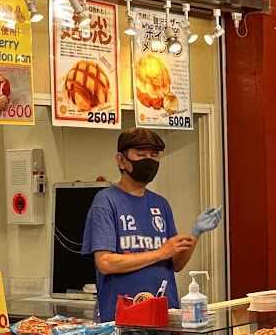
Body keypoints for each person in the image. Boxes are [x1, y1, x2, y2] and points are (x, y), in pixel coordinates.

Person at [81, 128, 198, 321]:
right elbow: (105, 263)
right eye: (141, 155)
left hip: (164, 314)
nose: (149, 161)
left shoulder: (161, 204)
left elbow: (175, 264)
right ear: (121, 160)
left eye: (154, 155)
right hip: (124, 318)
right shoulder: (106, 201)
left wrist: (195, 234)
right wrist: (161, 252)